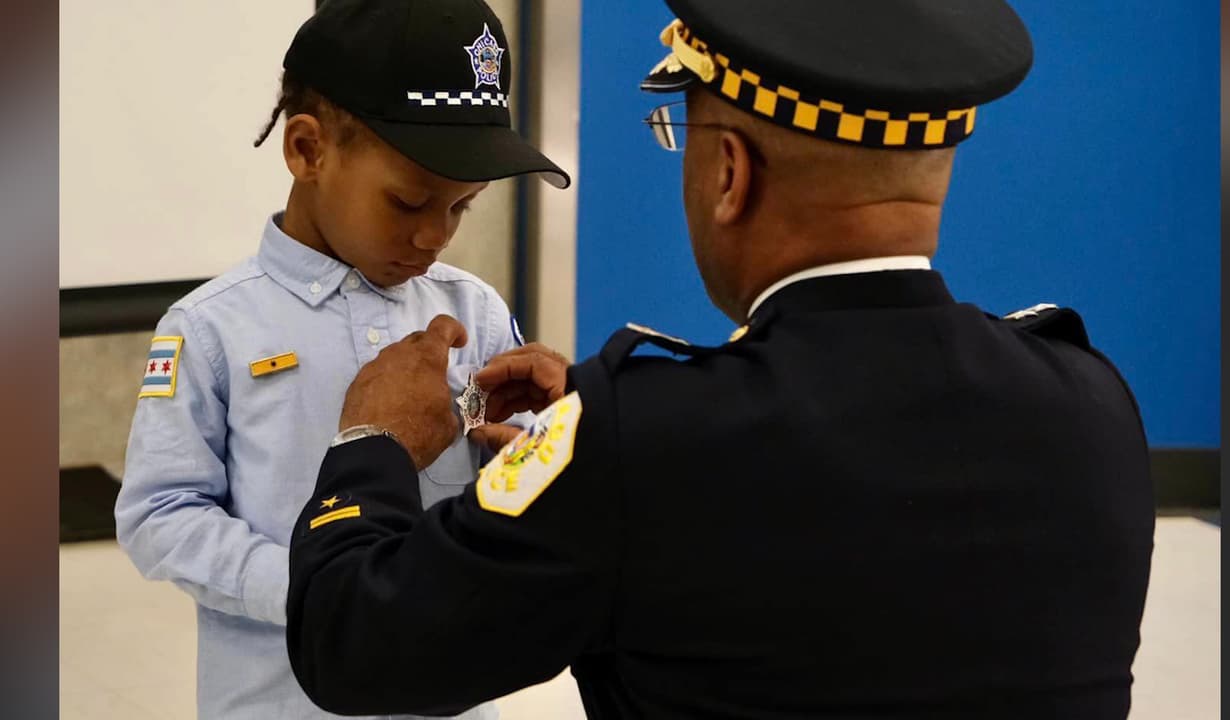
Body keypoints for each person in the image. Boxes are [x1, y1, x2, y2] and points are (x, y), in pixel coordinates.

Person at [286, 1, 1155, 718]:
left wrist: (374, 441)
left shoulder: (642, 443)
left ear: (728, 171)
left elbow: (355, 645)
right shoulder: (1094, 406)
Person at [113, 1, 567, 718]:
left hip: (445, 698)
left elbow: (501, 484)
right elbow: (160, 515)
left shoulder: (474, 311)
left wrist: (548, 442)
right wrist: (314, 586)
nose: (433, 238)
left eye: (461, 208)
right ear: (307, 150)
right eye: (408, 201)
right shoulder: (210, 329)